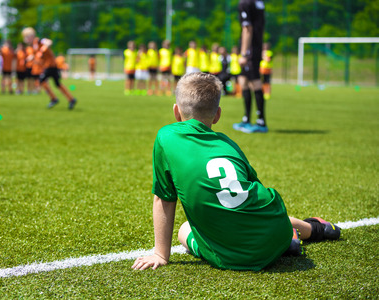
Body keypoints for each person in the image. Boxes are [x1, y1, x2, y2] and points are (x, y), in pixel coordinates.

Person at [131, 72, 341, 271]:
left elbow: (163, 199)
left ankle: (293, 237)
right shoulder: (229, 144)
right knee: (253, 208)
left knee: (185, 229)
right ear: (217, 115)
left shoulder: (166, 137)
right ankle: (316, 230)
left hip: (234, 257)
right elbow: (250, 192)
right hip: (275, 230)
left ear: (176, 111)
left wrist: (160, 254)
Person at [233, 0, 268, 133]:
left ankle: (261, 121)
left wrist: (243, 53)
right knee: (243, 81)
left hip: (250, 49)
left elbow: (247, 29)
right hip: (256, 46)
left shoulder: (245, 3)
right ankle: (246, 119)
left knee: (255, 81)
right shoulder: (258, 2)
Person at [22, 27, 77, 109]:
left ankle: (54, 99)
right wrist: (28, 59)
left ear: (31, 36)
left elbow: (49, 42)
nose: (25, 39)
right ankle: (71, 99)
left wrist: (42, 50)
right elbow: (35, 55)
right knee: (57, 83)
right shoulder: (33, 46)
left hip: (50, 65)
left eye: (26, 37)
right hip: (49, 66)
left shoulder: (39, 41)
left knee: (41, 80)